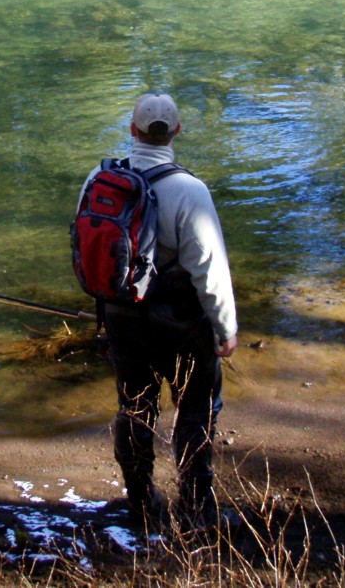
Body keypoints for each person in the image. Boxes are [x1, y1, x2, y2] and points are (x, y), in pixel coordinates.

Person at [81, 92, 238, 532]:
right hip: (181, 322)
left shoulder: (100, 177)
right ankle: (196, 510)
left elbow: (88, 248)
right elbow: (209, 270)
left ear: (132, 131)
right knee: (195, 409)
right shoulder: (191, 191)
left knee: (134, 406)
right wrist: (226, 329)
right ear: (176, 132)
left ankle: (141, 501)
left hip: (121, 315)